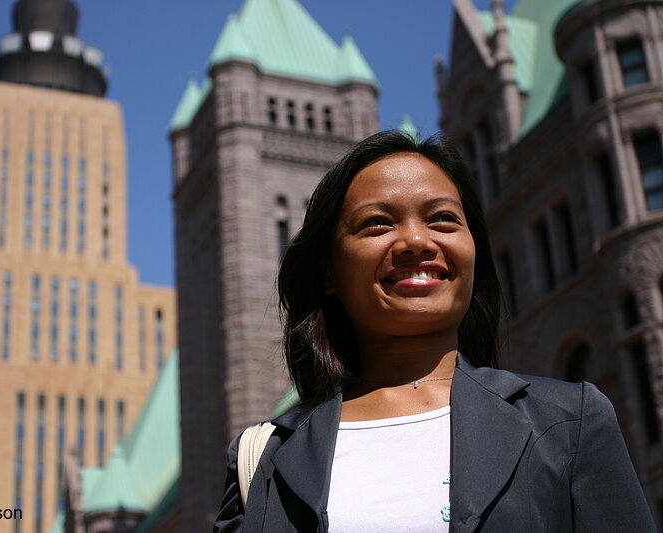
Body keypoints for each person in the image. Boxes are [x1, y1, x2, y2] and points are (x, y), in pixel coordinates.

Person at [213, 130, 657, 532]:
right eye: (378, 223)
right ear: (328, 271)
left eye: (442, 219)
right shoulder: (264, 459)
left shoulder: (570, 421)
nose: (417, 241)